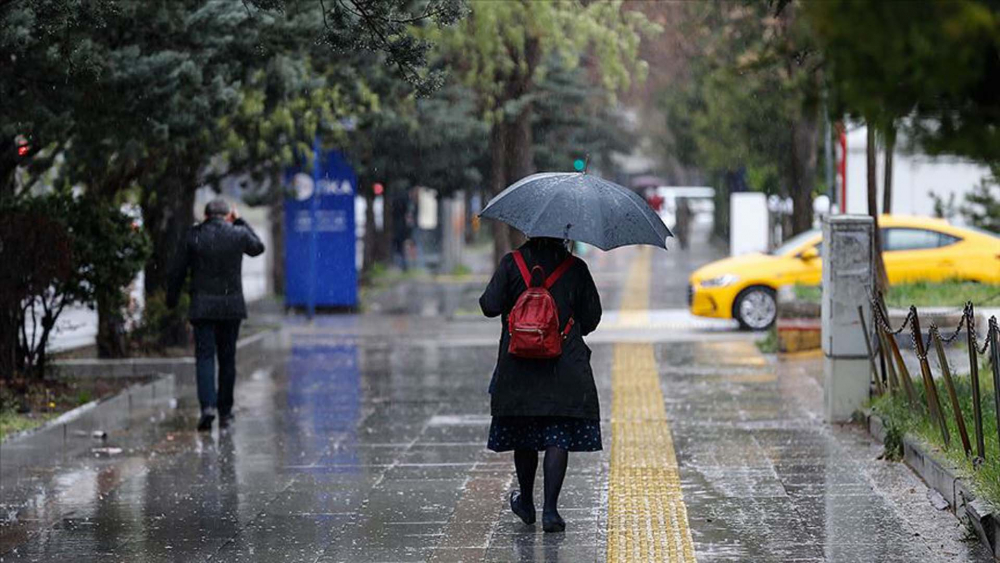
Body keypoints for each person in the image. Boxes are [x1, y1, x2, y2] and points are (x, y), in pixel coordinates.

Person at [479, 237, 602, 533]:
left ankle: (526, 503)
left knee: (524, 433)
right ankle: (550, 511)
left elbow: (488, 306)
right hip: (563, 366)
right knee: (557, 434)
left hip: (518, 366)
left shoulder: (512, 263)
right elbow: (592, 317)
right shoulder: (575, 267)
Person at [167, 198, 265, 431]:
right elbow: (258, 247)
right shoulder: (238, 234)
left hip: (202, 307)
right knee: (228, 359)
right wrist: (240, 220)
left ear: (205, 215)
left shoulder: (194, 235)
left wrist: (171, 299)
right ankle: (226, 411)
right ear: (228, 214)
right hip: (231, 308)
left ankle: (207, 408)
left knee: (205, 357)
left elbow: (177, 270)